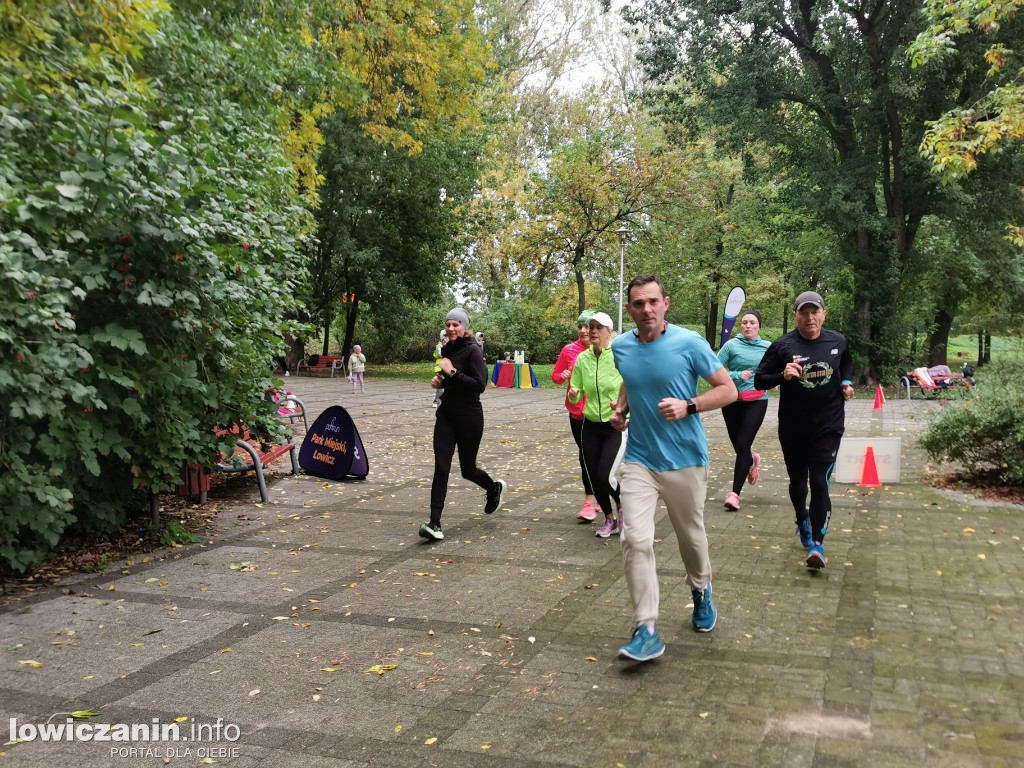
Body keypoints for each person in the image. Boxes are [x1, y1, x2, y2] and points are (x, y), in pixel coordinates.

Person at [609, 275, 737, 661]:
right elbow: (632, 382)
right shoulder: (621, 346)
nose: (646, 309)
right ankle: (645, 627)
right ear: (630, 308)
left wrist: (690, 405)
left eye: (652, 302)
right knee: (635, 540)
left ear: (665, 303)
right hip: (640, 460)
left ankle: (701, 589)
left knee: (691, 539)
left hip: (685, 459)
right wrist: (621, 408)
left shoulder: (689, 342)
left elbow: (728, 390)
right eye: (637, 304)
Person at [754, 291, 854, 569]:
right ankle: (802, 517)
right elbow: (760, 380)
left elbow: (846, 360)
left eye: (815, 312)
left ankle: (818, 545)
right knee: (798, 483)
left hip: (828, 425)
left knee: (820, 482)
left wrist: (846, 381)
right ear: (796, 315)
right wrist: (782, 375)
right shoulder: (782, 345)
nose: (810, 317)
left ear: (823, 313)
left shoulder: (837, 340)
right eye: (804, 313)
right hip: (793, 427)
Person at [419, 308, 507, 541]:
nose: (451, 329)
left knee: (468, 469)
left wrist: (453, 372)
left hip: (469, 417)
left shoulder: (473, 351)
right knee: (441, 468)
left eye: (456, 324)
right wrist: (439, 380)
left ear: (465, 327)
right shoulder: (446, 349)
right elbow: (447, 377)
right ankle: (434, 523)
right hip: (446, 415)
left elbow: (479, 385)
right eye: (448, 324)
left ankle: (493, 488)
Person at [566, 312, 624, 537]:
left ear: (610, 332)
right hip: (589, 425)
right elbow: (576, 391)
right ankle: (609, 519)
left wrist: (620, 404)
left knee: (604, 475)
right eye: (590, 327)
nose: (592, 331)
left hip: (614, 426)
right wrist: (573, 393)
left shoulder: (619, 356)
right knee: (592, 475)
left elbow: (632, 386)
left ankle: (623, 507)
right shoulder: (583, 359)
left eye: (598, 327)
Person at [717, 310, 771, 511]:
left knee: (743, 443)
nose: (748, 326)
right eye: (745, 322)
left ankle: (734, 494)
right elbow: (714, 368)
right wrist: (738, 374)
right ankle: (752, 460)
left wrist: (773, 382)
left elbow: (774, 370)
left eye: (752, 323)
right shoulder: (731, 345)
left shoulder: (767, 347)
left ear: (759, 326)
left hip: (757, 400)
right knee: (740, 448)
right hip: (731, 399)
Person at [552, 309, 599, 521]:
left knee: (599, 457)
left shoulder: (606, 351)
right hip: (578, 413)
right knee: (585, 455)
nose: (583, 330)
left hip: (601, 412)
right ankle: (590, 500)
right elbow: (555, 377)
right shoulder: (569, 350)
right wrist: (561, 376)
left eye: (587, 326)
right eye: (580, 326)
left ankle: (599, 496)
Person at [432, 329, 446, 408]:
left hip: (447, 369)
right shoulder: (439, 346)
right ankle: (436, 401)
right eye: (445, 336)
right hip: (439, 369)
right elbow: (440, 354)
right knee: (440, 386)